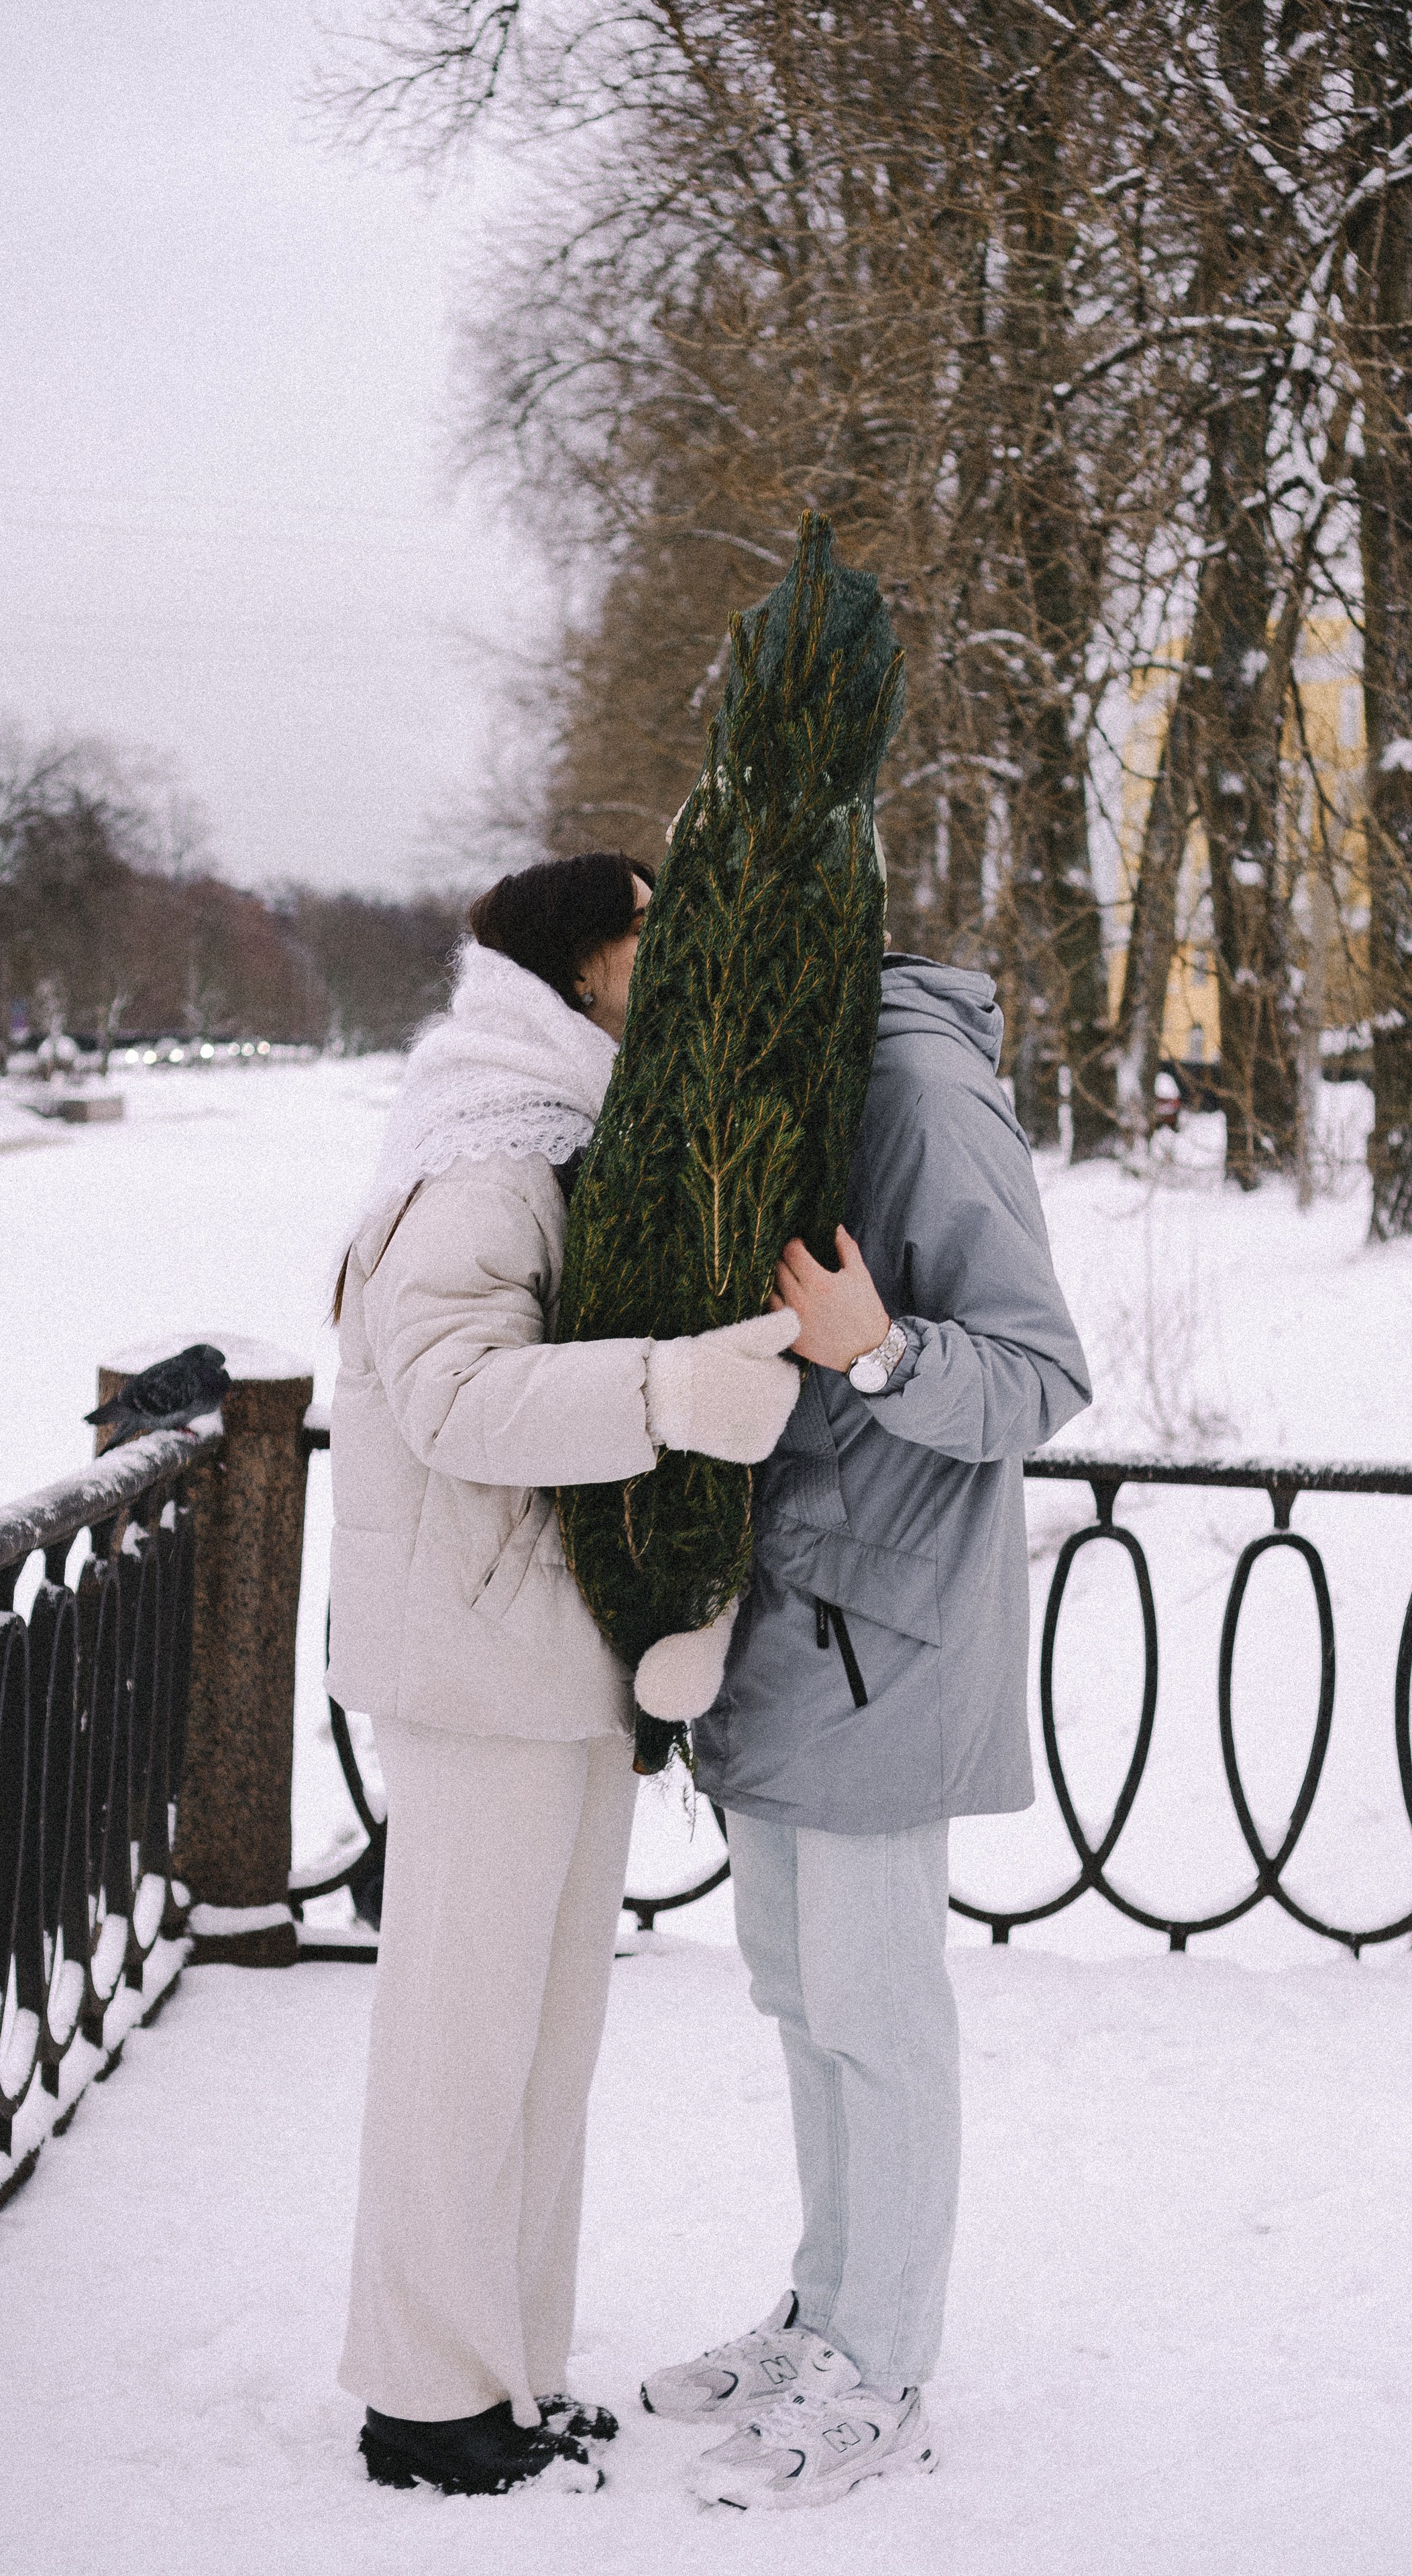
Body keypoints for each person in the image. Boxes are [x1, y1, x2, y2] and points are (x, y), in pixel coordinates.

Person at [326, 851, 802, 2500]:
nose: (670, 962)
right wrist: (673, 1392)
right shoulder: (487, 1155)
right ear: (578, 968)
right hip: (479, 1660)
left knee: (537, 2041)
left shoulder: (556, 1131)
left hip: (537, 1653)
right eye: (648, 936)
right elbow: (455, 1398)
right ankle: (423, 2397)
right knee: (465, 2043)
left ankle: (504, 2370)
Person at [641, 949, 1091, 2510]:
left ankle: (883, 2366)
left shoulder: (913, 1084)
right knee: (800, 1994)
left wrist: (879, 1349)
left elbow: (1039, 1376)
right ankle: (824, 2313)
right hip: (787, 1621)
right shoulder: (790, 1069)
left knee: (877, 2016)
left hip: (879, 1638)